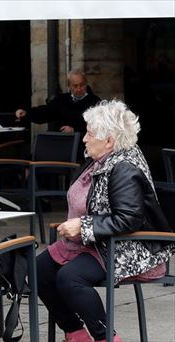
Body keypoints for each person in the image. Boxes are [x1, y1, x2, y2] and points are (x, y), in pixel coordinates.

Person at [37, 100, 175, 342]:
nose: (84, 139)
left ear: (110, 140)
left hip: (124, 246)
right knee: (38, 269)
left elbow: (129, 218)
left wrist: (83, 226)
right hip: (92, 241)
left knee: (70, 278)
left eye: (90, 134)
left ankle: (105, 337)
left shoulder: (124, 167)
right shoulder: (100, 158)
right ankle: (75, 333)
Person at [15, 69, 101, 160]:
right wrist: (26, 114)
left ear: (86, 84)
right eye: (75, 86)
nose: (79, 89)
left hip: (84, 147)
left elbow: (99, 129)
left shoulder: (95, 103)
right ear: (69, 86)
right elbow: (46, 112)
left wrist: (75, 130)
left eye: (82, 85)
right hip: (62, 144)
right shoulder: (62, 100)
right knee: (33, 159)